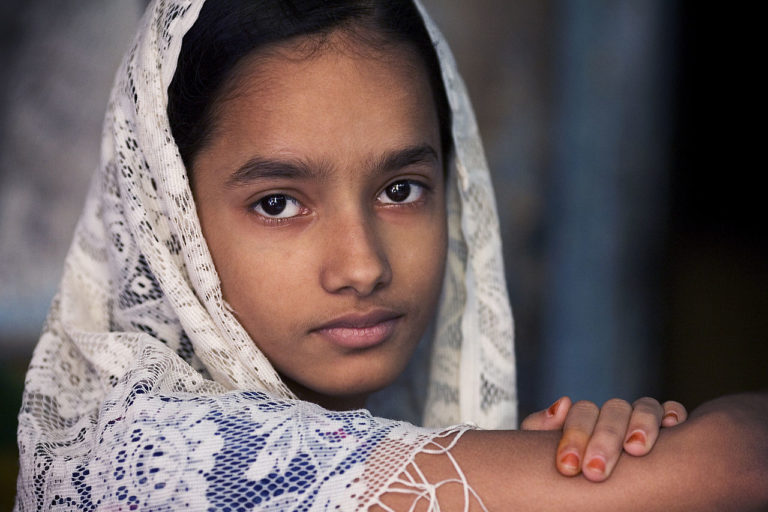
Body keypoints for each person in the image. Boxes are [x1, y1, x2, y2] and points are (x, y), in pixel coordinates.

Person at [14, 0, 767, 511]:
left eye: (401, 189)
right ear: (170, 215)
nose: (363, 264)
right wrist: (656, 465)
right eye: (279, 202)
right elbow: (740, 460)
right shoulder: (154, 455)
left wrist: (602, 453)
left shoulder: (369, 439)